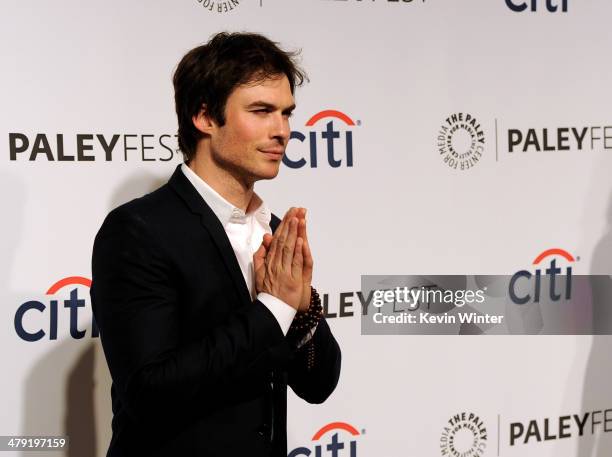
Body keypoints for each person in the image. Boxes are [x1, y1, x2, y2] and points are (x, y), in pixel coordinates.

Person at [90, 32, 341, 457]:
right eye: (261, 111)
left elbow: (319, 385)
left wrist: (303, 309)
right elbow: (150, 391)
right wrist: (274, 309)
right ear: (204, 116)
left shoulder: (273, 231)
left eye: (286, 113)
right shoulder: (138, 229)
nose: (282, 131)